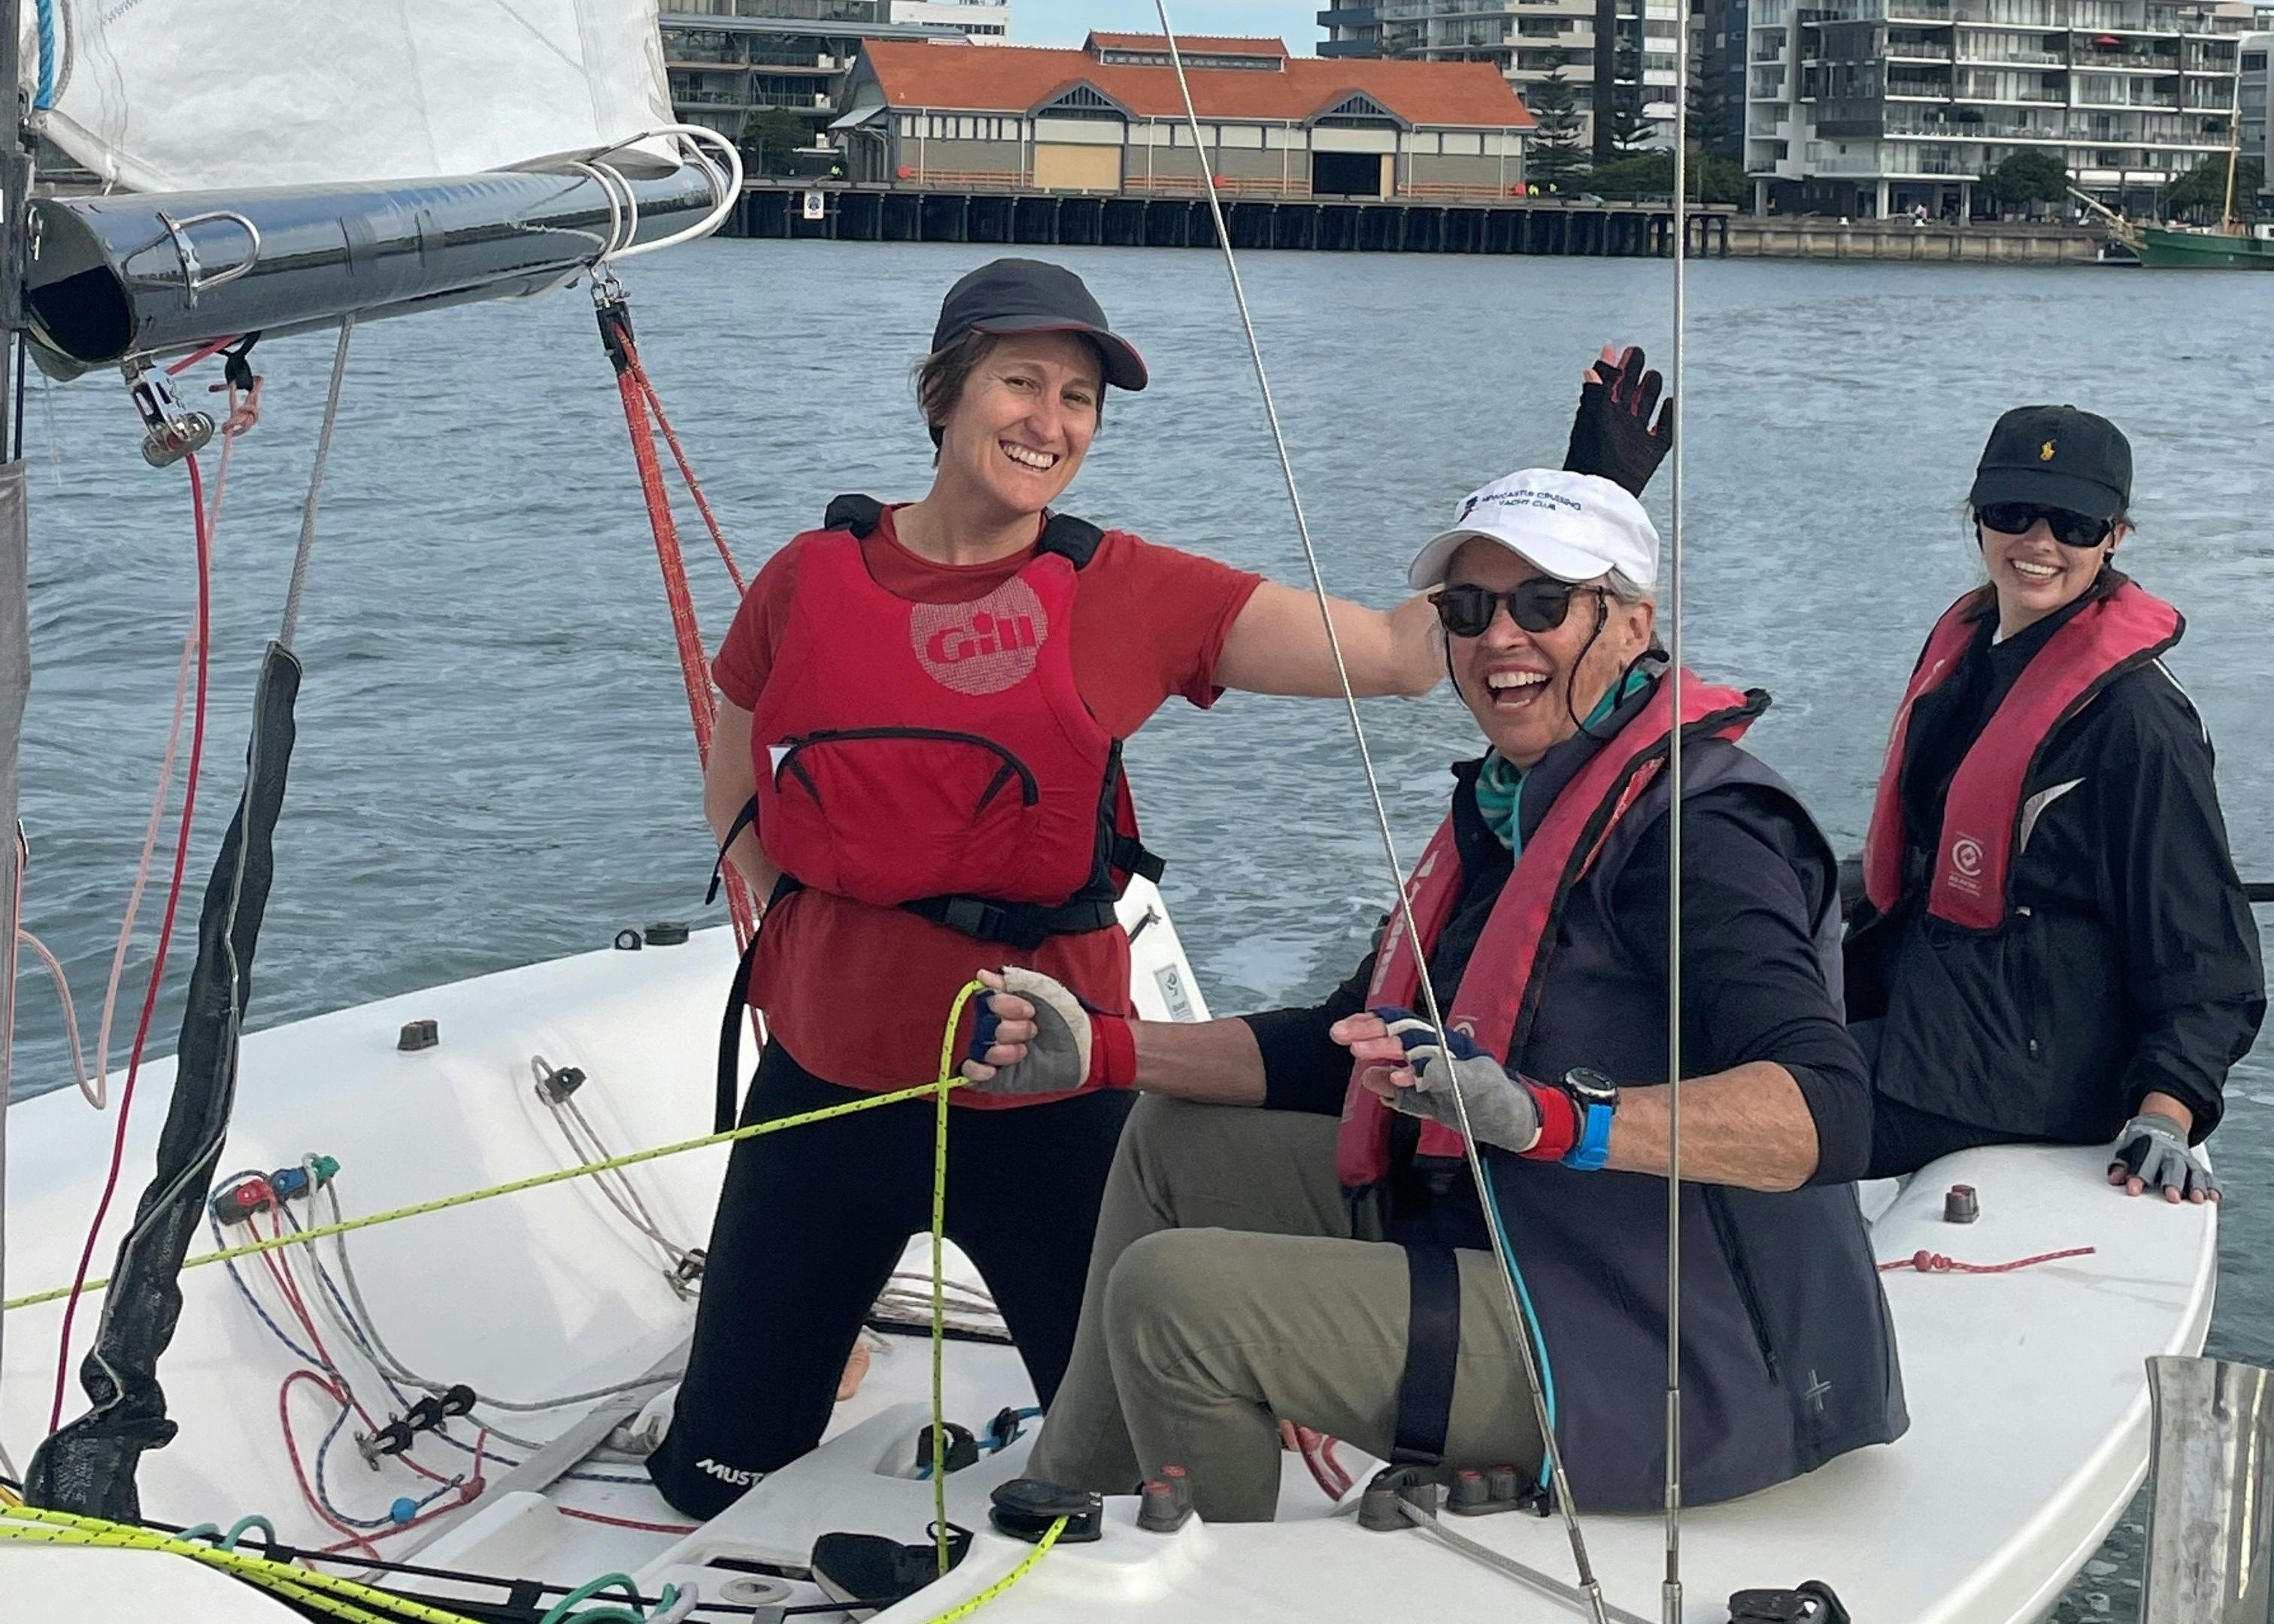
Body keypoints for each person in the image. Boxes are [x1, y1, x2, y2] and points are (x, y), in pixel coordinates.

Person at [642, 263, 1654, 1518]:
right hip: (823, 1087)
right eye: (1021, 382)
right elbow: (737, 779)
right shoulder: (809, 573)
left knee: (1113, 1490)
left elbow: (1400, 655)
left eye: (1078, 398)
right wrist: (817, 930)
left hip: (1042, 1098)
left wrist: (1582, 504)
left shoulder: (1126, 592)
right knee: (710, 1480)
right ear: (944, 392)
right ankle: (824, 1353)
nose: (1048, 421)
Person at [960, 467, 1905, 1522]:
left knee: (1177, 1299)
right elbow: (1342, 1042)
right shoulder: (1513, 808)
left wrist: (1554, 1120)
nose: (1500, 636)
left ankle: (1207, 1577)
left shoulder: (1706, 836)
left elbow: (1827, 1111)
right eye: (1468, 609)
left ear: (1632, 625)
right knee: (1172, 1143)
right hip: (1520, 1234)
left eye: (1544, 604)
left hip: (1668, 1342)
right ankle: (1062, 1515)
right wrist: (1106, 1051)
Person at [1845, 405, 2264, 1198]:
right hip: (1922, 997)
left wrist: (2166, 1115)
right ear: (1976, 520)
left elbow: (2207, 957)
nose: (2038, 544)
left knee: (1740, 1107)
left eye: (2072, 522)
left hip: (2022, 1068)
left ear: (2114, 537)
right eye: (2010, 513)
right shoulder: (1969, 649)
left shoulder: (2138, 724)